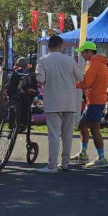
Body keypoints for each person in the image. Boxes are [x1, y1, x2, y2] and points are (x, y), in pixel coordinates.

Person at [36, 35, 84, 174]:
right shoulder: (70, 60)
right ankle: (65, 163)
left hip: (53, 101)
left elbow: (40, 78)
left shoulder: (43, 60)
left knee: (54, 135)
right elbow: (80, 77)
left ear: (48, 46)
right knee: (67, 134)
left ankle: (52, 165)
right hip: (70, 101)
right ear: (61, 46)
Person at [70, 42, 108, 169]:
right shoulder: (101, 62)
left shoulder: (94, 63)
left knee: (93, 128)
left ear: (89, 52)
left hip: (95, 100)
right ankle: (84, 153)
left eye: (83, 52)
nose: (82, 54)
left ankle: (101, 158)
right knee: (84, 125)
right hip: (96, 99)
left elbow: (86, 82)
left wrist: (74, 84)